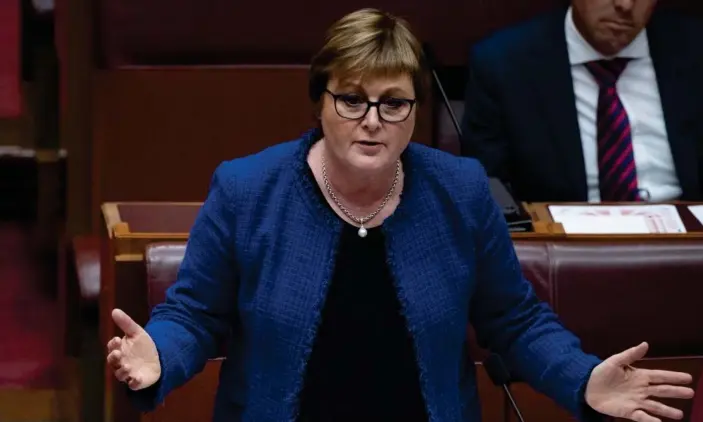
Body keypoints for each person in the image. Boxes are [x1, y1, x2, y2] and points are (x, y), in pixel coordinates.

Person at [106, 8, 694, 422]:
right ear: (321, 102)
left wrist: (583, 379)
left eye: (394, 103)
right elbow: (197, 312)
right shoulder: (247, 188)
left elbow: (514, 321)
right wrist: (158, 354)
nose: (372, 120)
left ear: (416, 110)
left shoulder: (459, 191)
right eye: (352, 99)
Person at [461, 0, 703, 203]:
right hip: (566, 246)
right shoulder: (504, 64)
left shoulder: (694, 50)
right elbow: (487, 190)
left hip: (686, 240)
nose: (625, 5)